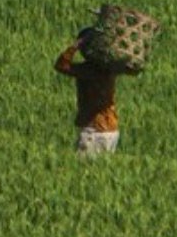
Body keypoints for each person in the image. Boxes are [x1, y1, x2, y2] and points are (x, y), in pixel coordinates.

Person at [54, 27, 137, 155]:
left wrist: (75, 45)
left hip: (94, 130)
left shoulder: (89, 70)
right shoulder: (110, 68)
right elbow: (132, 68)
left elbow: (61, 65)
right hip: (111, 129)